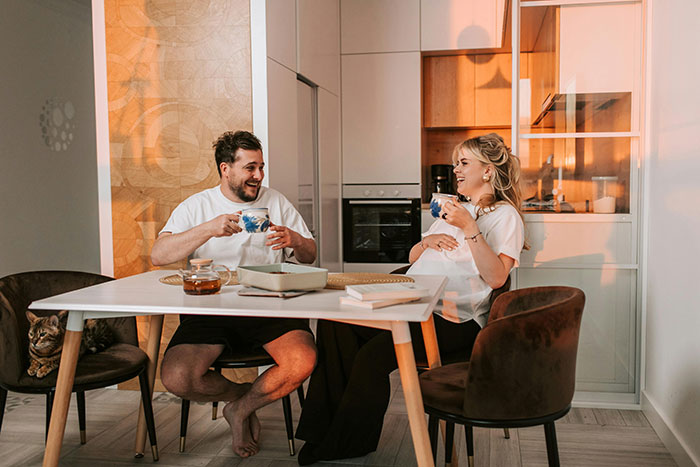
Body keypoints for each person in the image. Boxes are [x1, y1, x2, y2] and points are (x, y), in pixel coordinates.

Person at [295, 133, 526, 465]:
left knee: (373, 355)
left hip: (452, 319)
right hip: (409, 301)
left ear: (488, 171)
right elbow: (414, 253)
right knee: (335, 324)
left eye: (463, 163)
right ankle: (322, 431)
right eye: (455, 163)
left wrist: (469, 226)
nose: (455, 170)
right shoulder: (452, 208)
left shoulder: (504, 216)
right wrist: (427, 244)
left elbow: (497, 278)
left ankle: (349, 441)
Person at [151, 130, 318, 458]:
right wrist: (209, 228)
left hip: (272, 307)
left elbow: (310, 255)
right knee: (177, 377)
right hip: (211, 310)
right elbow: (159, 255)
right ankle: (242, 397)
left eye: (261, 167)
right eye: (250, 168)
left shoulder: (276, 201)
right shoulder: (198, 206)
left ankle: (239, 411)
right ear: (225, 169)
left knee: (303, 360)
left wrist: (295, 240)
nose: (259, 176)